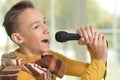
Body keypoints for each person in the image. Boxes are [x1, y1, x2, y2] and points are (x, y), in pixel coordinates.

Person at [0, 1, 108, 80]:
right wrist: (100, 60)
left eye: (44, 22)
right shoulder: (17, 75)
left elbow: (99, 71)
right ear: (18, 38)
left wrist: (94, 50)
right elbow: (98, 66)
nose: (47, 30)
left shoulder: (48, 58)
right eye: (36, 26)